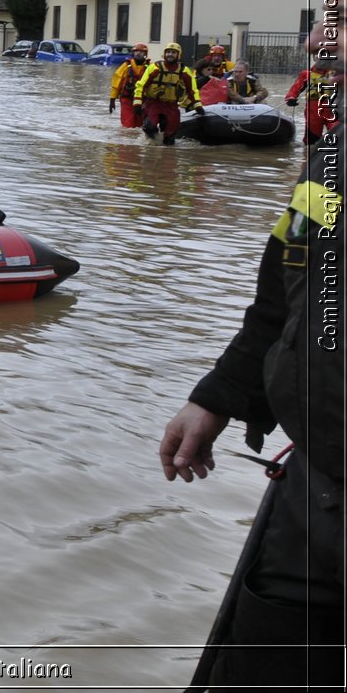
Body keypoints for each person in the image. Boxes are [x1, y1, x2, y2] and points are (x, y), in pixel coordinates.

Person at [158, 122, 342, 691]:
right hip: (315, 497)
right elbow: (282, 285)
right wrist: (220, 394)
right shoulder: (333, 158)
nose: (317, 44)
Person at [133, 41, 203, 144]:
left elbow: (192, 90)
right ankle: (152, 145)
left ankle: (165, 151)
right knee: (150, 128)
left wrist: (198, 105)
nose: (170, 54)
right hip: (154, 103)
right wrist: (137, 103)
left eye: (173, 52)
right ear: (164, 54)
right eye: (168, 52)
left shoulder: (185, 71)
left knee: (170, 139)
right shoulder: (154, 67)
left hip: (172, 106)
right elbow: (141, 85)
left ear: (178, 55)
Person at [286, 42, 337, 145]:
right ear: (314, 58)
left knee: (339, 135)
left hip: (333, 110)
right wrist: (290, 98)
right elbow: (296, 88)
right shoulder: (306, 75)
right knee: (311, 142)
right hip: (313, 112)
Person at [109, 43, 152, 127]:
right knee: (128, 124)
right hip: (127, 99)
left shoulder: (150, 67)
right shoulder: (126, 66)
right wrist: (112, 99)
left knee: (141, 124)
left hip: (144, 100)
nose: (138, 53)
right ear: (133, 53)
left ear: (145, 54)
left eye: (141, 52)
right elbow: (116, 82)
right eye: (136, 51)